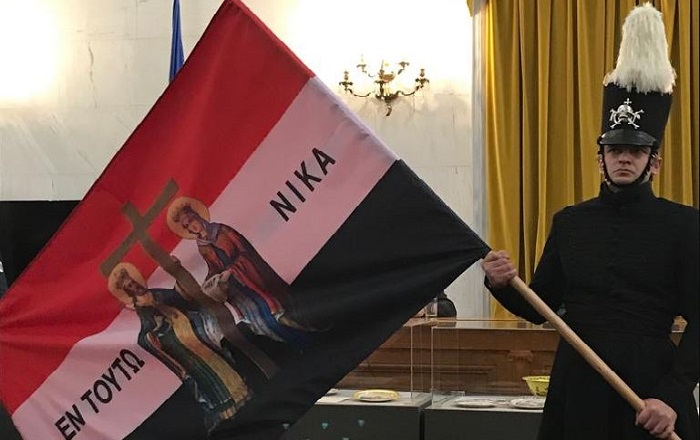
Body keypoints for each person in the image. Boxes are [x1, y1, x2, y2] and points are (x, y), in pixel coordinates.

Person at [481, 4, 698, 440]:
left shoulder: (685, 226)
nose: (624, 158)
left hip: (650, 391)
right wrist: (501, 283)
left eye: (635, 151)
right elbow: (540, 306)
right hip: (577, 385)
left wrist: (672, 396)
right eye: (614, 150)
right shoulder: (570, 223)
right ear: (601, 160)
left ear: (653, 162)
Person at [108, 263, 250, 432]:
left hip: (191, 332)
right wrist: (158, 327)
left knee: (218, 360)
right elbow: (147, 330)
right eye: (130, 286)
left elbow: (178, 298)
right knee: (204, 372)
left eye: (133, 282)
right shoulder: (140, 307)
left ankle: (240, 394)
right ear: (128, 291)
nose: (134, 286)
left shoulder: (156, 293)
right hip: (179, 345)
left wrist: (179, 279)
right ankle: (226, 408)